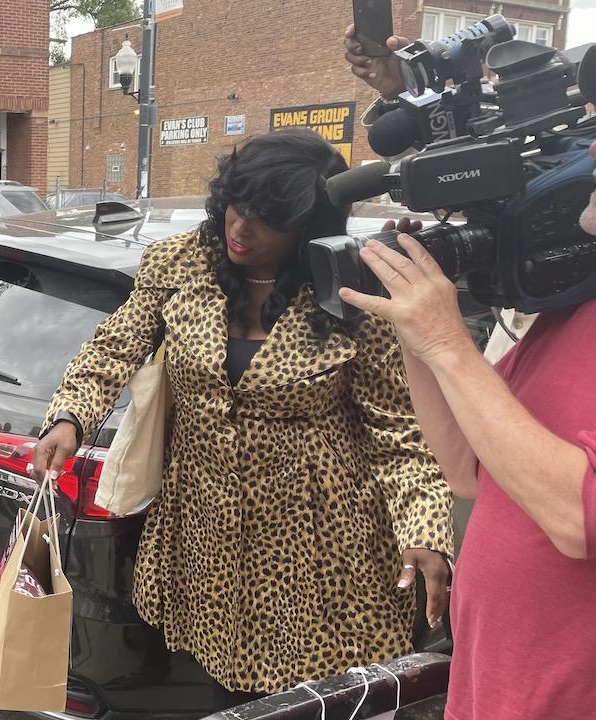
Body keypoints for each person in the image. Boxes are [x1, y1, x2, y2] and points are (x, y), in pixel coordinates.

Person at [30, 129, 454, 710]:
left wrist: (424, 532)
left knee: (314, 697)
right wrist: (69, 417)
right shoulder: (181, 262)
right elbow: (114, 346)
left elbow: (401, 433)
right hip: (203, 534)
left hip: (324, 549)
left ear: (309, 225)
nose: (241, 228)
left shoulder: (354, 290)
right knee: (218, 687)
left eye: (268, 219)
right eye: (237, 204)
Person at [345, 26, 596, 720]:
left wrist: (451, 345)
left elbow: (577, 519)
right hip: (489, 694)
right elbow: (468, 468)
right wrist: (417, 333)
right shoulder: (570, 312)